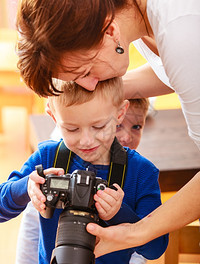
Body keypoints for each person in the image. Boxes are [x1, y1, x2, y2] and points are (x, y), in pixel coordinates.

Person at [16, 0, 200, 250]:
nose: (89, 85)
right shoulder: (136, 21)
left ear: (109, 31)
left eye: (86, 71)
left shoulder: (182, 31)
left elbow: (185, 58)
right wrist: (95, 104)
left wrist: (138, 231)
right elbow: (173, 70)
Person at [0, 78, 168, 264]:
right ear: (52, 115)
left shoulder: (141, 173)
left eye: (99, 126)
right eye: (71, 129)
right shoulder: (48, 157)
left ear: (120, 113)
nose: (86, 140)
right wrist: (27, 187)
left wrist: (120, 214)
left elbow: (156, 247)